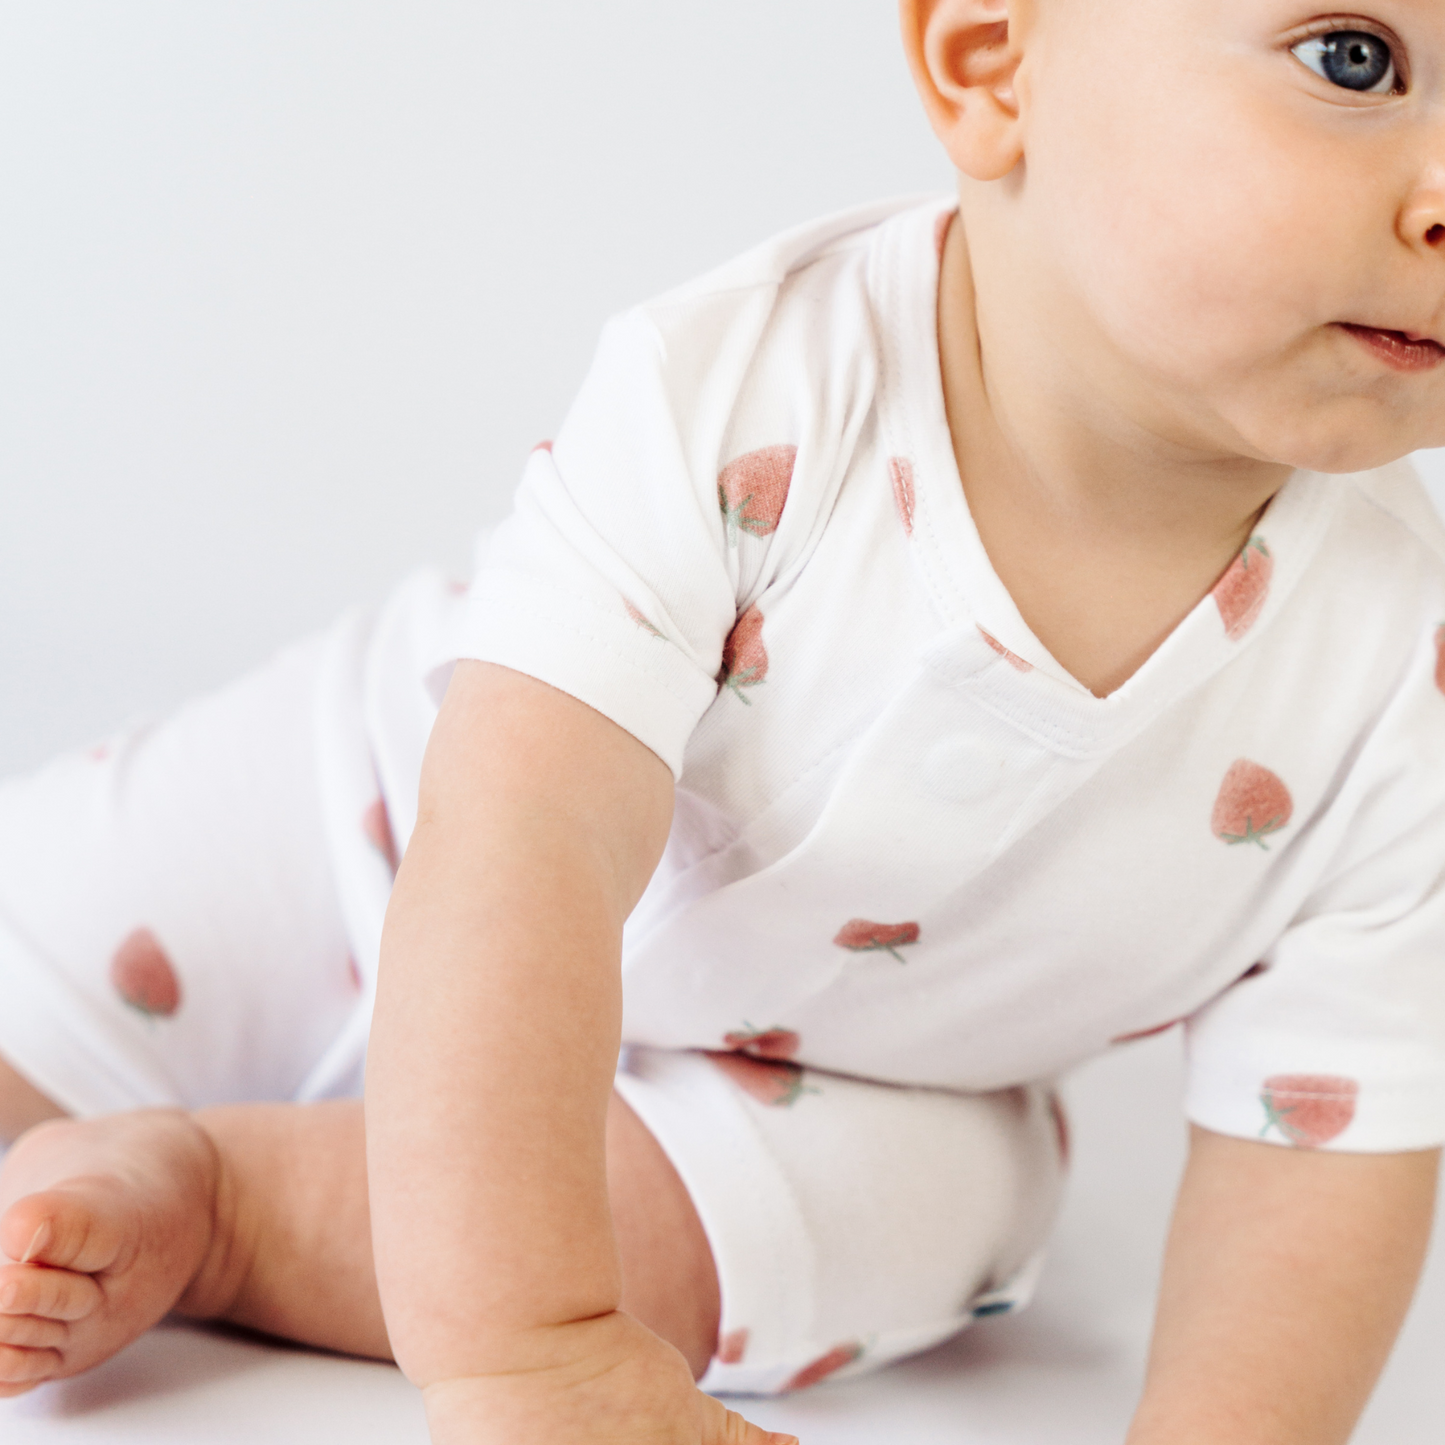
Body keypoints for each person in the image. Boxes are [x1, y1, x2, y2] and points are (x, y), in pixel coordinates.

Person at [3, 1, 1445, 1441]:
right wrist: (531, 1350)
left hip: (856, 1080)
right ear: (993, 63)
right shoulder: (747, 387)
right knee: (64, 926)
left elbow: (1323, 1127)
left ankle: (232, 1207)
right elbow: (532, 838)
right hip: (380, 830)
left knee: (928, 1212)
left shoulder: (1400, 662)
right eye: (1355, 60)